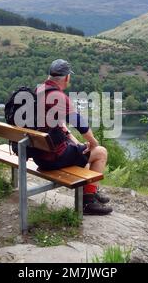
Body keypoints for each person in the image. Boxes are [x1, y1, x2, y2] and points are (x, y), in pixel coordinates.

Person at [33, 59, 113, 215]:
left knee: (81, 151)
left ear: (50, 75)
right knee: (100, 152)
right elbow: (79, 123)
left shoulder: (39, 91)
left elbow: (58, 123)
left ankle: (91, 191)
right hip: (53, 158)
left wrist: (74, 140)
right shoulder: (58, 96)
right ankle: (88, 202)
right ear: (67, 77)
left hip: (38, 155)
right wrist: (93, 142)